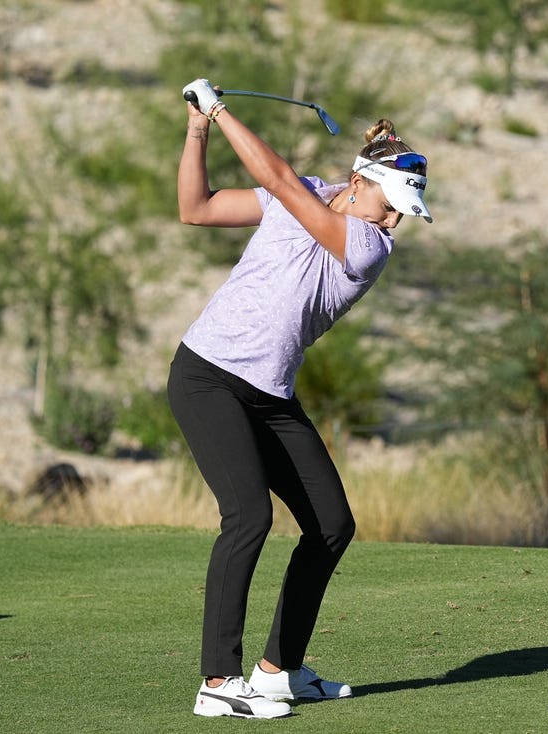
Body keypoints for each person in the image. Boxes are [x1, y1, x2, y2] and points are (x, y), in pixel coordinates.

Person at [168, 78, 431, 719]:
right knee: (249, 517)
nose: (397, 220)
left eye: (405, 211)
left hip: (270, 393)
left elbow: (283, 183)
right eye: (392, 203)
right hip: (208, 375)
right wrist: (200, 125)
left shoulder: (370, 247)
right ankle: (217, 684)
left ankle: (278, 670)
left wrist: (222, 108)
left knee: (331, 526)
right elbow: (196, 209)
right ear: (360, 180)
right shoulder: (312, 195)